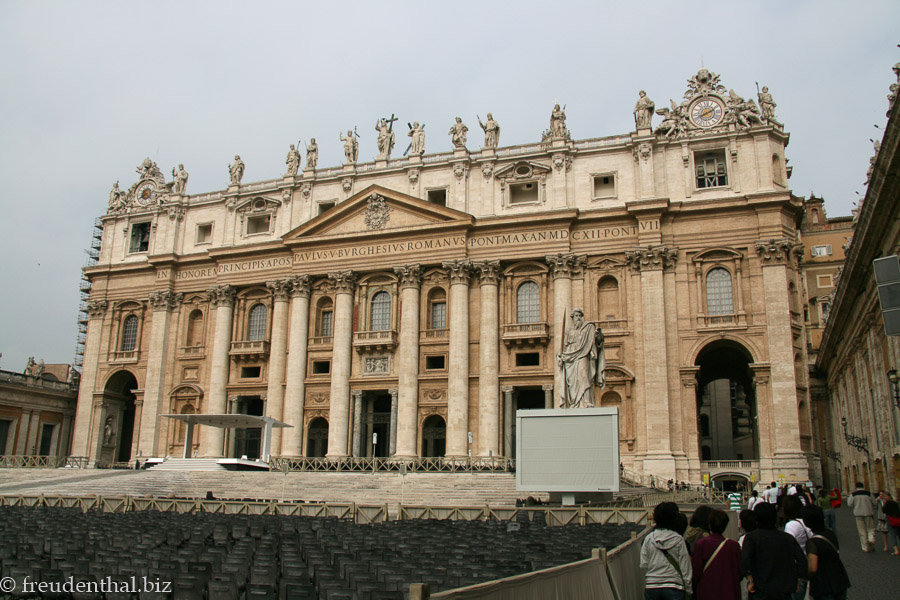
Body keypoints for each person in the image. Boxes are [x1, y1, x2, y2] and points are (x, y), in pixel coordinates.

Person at [741, 502, 806, 600]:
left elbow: (744, 562)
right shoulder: (787, 538)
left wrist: (749, 579)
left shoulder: (751, 538)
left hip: (760, 589)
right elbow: (802, 561)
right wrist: (797, 579)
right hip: (784, 590)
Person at [641, 502, 692, 599]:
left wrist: (652, 576)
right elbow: (685, 567)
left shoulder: (648, 539)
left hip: (652, 586)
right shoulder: (678, 540)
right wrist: (688, 590)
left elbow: (643, 564)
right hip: (674, 585)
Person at [557, 308, 605, 408]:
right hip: (570, 358)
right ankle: (573, 403)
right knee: (571, 382)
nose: (578, 318)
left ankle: (586, 401)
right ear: (572, 318)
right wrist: (559, 356)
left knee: (584, 376)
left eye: (580, 316)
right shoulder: (568, 331)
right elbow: (564, 346)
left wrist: (598, 335)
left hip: (583, 354)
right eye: (576, 316)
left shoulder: (588, 327)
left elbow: (597, 340)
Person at [803, 505, 851, 600]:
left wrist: (804, 576)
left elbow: (813, 568)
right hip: (839, 576)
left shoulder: (812, 542)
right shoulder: (830, 533)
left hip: (823, 582)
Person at [692, 509, 741, 600]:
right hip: (729, 591)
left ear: (709, 525)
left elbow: (696, 571)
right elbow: (739, 572)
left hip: (707, 590)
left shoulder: (701, 544)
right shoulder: (733, 546)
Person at [782, 495, 812, 600]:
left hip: (797, 567)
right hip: (809, 562)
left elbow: (788, 547)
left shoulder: (791, 525)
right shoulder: (806, 522)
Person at [846, 481, 877, 552]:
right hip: (868, 513)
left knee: (861, 530)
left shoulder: (853, 494)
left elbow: (849, 504)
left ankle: (865, 547)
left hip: (858, 514)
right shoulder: (868, 493)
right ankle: (871, 539)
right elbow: (874, 503)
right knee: (871, 529)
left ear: (856, 487)